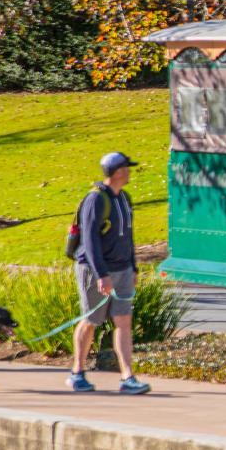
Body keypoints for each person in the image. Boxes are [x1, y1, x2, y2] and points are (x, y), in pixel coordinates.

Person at [69, 151, 150, 395]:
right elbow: (90, 241)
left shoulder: (124, 198)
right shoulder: (96, 200)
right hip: (96, 270)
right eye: (126, 168)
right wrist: (101, 274)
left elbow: (129, 235)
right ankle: (77, 373)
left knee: (123, 322)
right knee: (91, 321)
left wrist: (133, 266)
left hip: (122, 269)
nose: (130, 172)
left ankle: (127, 377)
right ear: (117, 172)